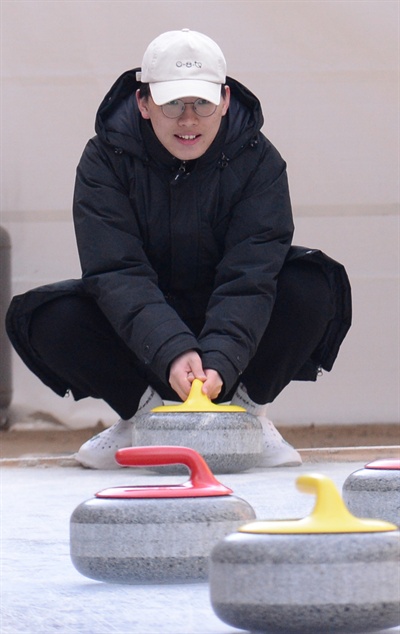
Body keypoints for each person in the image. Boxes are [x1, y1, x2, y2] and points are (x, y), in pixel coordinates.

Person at [6, 29, 351, 469]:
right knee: (49, 317)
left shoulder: (259, 160)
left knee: (312, 283)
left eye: (202, 103)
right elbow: (116, 271)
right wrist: (169, 349)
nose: (188, 119)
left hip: (230, 337)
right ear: (144, 103)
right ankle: (144, 421)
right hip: (145, 337)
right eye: (172, 104)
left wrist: (222, 359)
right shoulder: (104, 160)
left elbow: (251, 274)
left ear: (225, 102)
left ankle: (245, 418)